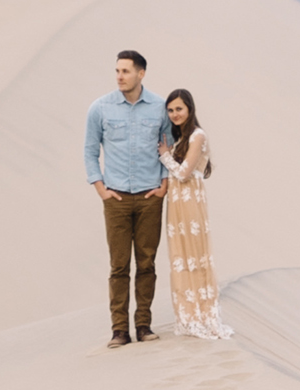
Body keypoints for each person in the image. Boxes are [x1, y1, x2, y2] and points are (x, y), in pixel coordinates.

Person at [83, 46, 166, 345]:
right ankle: (120, 330)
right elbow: (90, 152)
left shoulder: (159, 107)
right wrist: (100, 188)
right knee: (119, 266)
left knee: (147, 263)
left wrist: (164, 185)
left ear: (140, 74)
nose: (119, 76)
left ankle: (143, 325)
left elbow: (167, 147)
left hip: (149, 198)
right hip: (116, 199)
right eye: (117, 70)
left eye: (126, 71)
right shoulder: (100, 108)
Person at [158, 88, 232, 340]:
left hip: (190, 200)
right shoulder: (181, 138)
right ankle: (187, 315)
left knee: (194, 254)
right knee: (181, 255)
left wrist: (165, 156)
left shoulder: (197, 135)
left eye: (179, 108)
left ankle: (202, 314)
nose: (175, 114)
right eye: (170, 110)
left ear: (189, 109)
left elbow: (183, 173)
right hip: (177, 202)